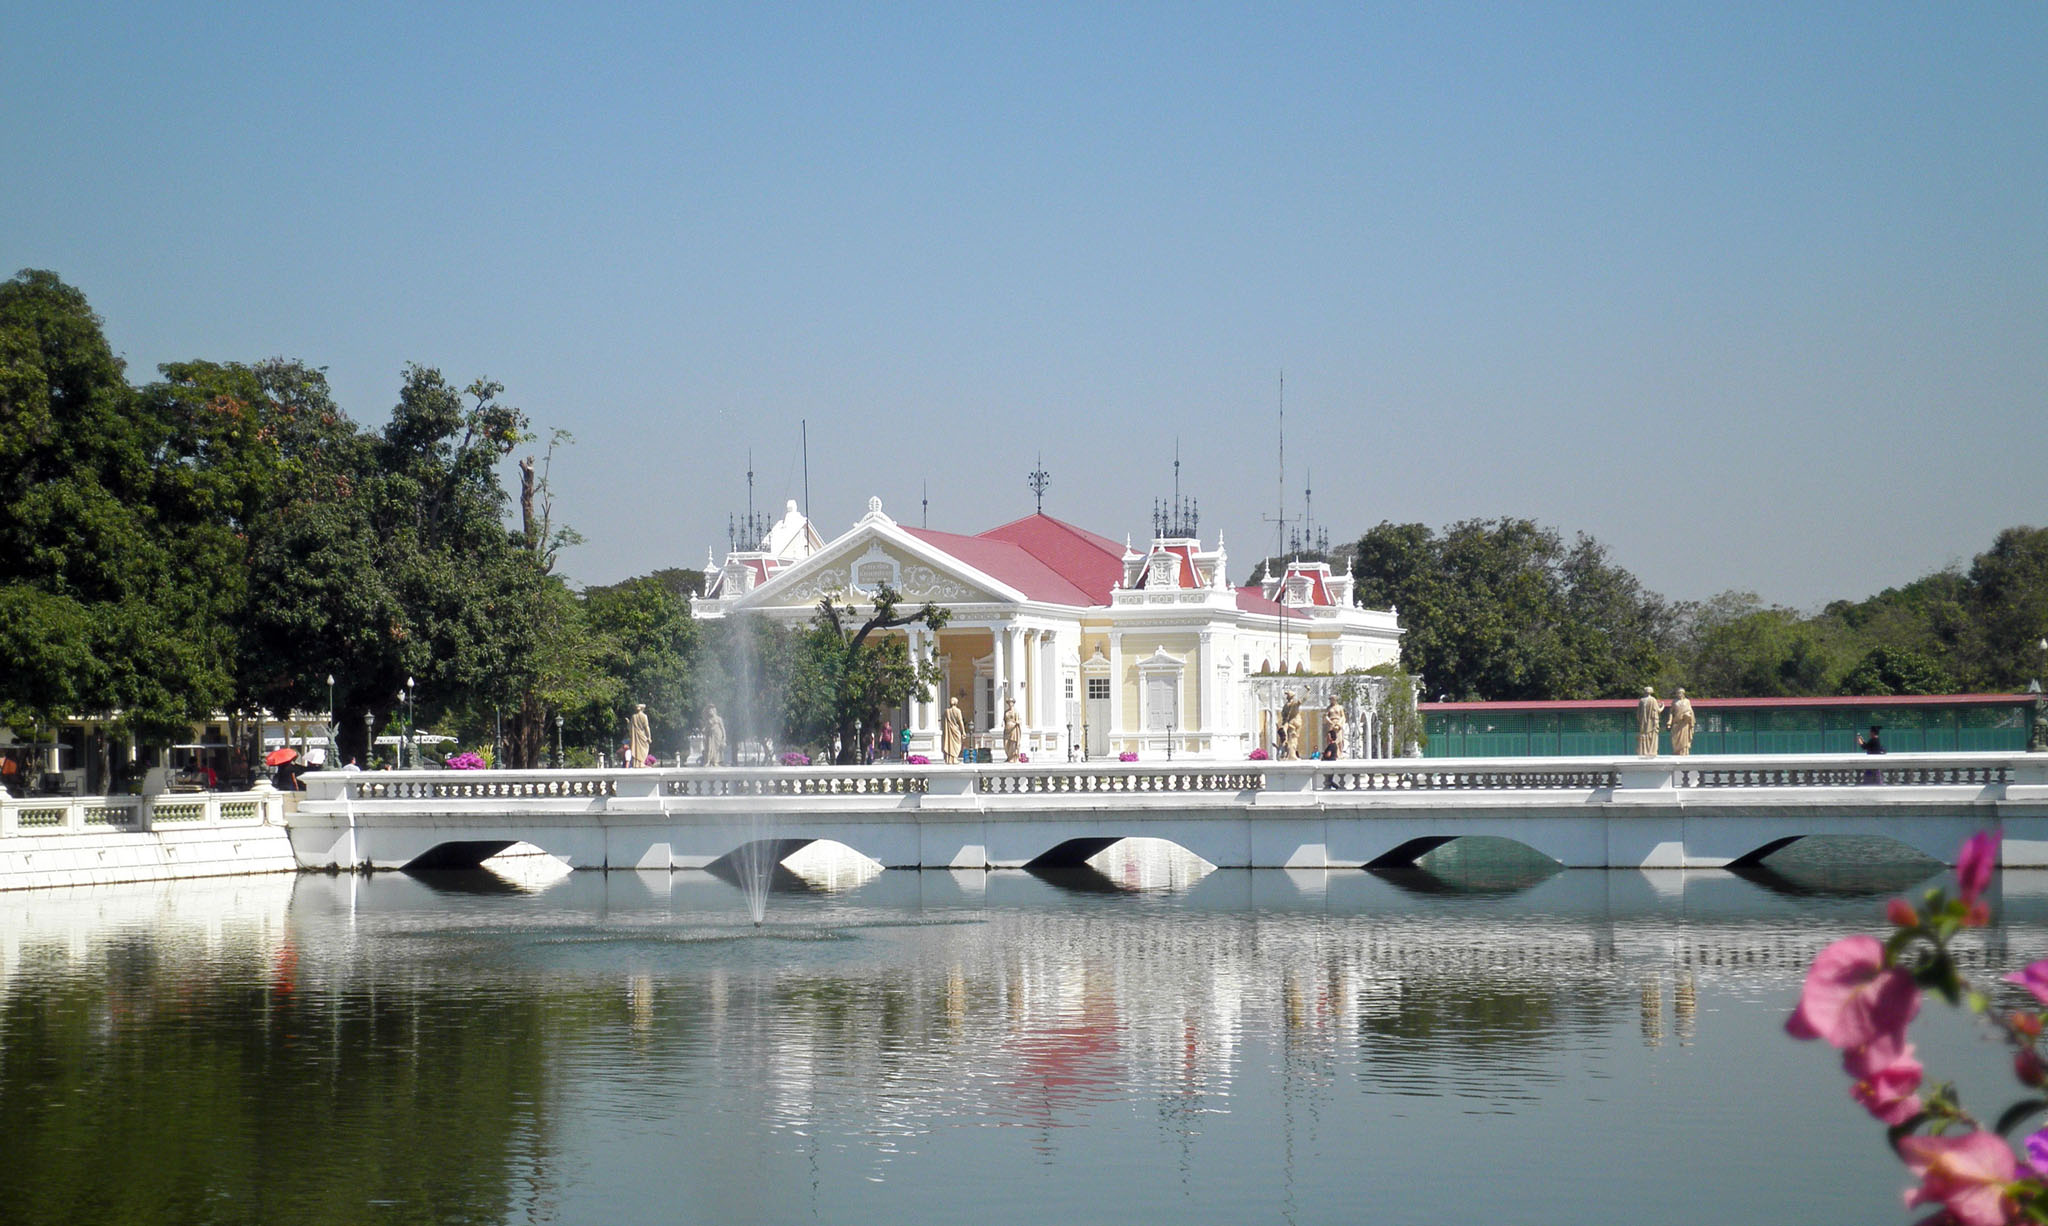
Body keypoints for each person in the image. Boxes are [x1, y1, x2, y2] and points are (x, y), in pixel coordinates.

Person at [1665, 688, 1697, 756]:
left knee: (1684, 740)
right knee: (1675, 739)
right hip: (1676, 723)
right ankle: (1676, 752)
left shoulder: (1687, 701)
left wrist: (1688, 715)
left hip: (1684, 723)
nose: (1678, 694)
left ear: (1683, 694)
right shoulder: (1674, 701)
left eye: (1680, 693)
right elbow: (1671, 712)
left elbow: (1690, 710)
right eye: (1677, 693)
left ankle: (1684, 752)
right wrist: (1669, 721)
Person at [1637, 687, 1662, 755]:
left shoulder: (1641, 700)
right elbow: (1658, 711)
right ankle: (1651, 751)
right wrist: (1662, 707)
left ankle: (1644, 751)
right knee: (1651, 736)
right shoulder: (1653, 700)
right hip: (1652, 723)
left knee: (1644, 736)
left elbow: (1638, 713)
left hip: (1643, 723)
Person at [1277, 691, 1302, 759]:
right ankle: (1284, 753)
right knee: (1284, 736)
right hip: (1287, 722)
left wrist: (1308, 692)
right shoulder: (1286, 704)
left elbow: (1302, 700)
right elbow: (1283, 713)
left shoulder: (1294, 704)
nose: (1286, 696)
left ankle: (1291, 754)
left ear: (1291, 696)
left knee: (1292, 739)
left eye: (1287, 695)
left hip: (1292, 723)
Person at [942, 696, 967, 764]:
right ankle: (954, 758)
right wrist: (963, 731)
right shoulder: (958, 711)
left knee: (949, 743)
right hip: (955, 729)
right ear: (956, 703)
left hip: (949, 730)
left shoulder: (946, 711)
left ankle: (949, 759)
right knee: (957, 744)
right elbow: (960, 721)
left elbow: (943, 721)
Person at [1322, 697, 1346, 761]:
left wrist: (1339, 724)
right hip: (1331, 723)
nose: (1331, 701)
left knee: (1339, 739)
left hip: (1338, 723)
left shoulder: (1340, 707)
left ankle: (1339, 753)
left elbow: (1343, 716)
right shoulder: (1329, 708)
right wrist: (1329, 721)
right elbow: (1326, 716)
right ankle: (1333, 753)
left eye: (1332, 699)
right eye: (1330, 699)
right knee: (1331, 738)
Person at [628, 703, 652, 768]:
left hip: (636, 735)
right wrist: (649, 737)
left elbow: (630, 727)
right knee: (642, 747)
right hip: (640, 734)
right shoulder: (643, 716)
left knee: (638, 748)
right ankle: (639, 764)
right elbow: (647, 727)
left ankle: (638, 763)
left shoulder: (634, 716)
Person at [1002, 696, 1022, 762]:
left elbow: (1019, 720)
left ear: (1013, 703)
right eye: (1008, 703)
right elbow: (1004, 720)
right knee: (1006, 744)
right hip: (1007, 730)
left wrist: (1017, 722)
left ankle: (1012, 758)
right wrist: (1002, 723)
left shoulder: (1016, 712)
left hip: (1013, 729)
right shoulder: (1006, 712)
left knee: (1013, 744)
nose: (1009, 704)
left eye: (1011, 702)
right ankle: (1009, 756)